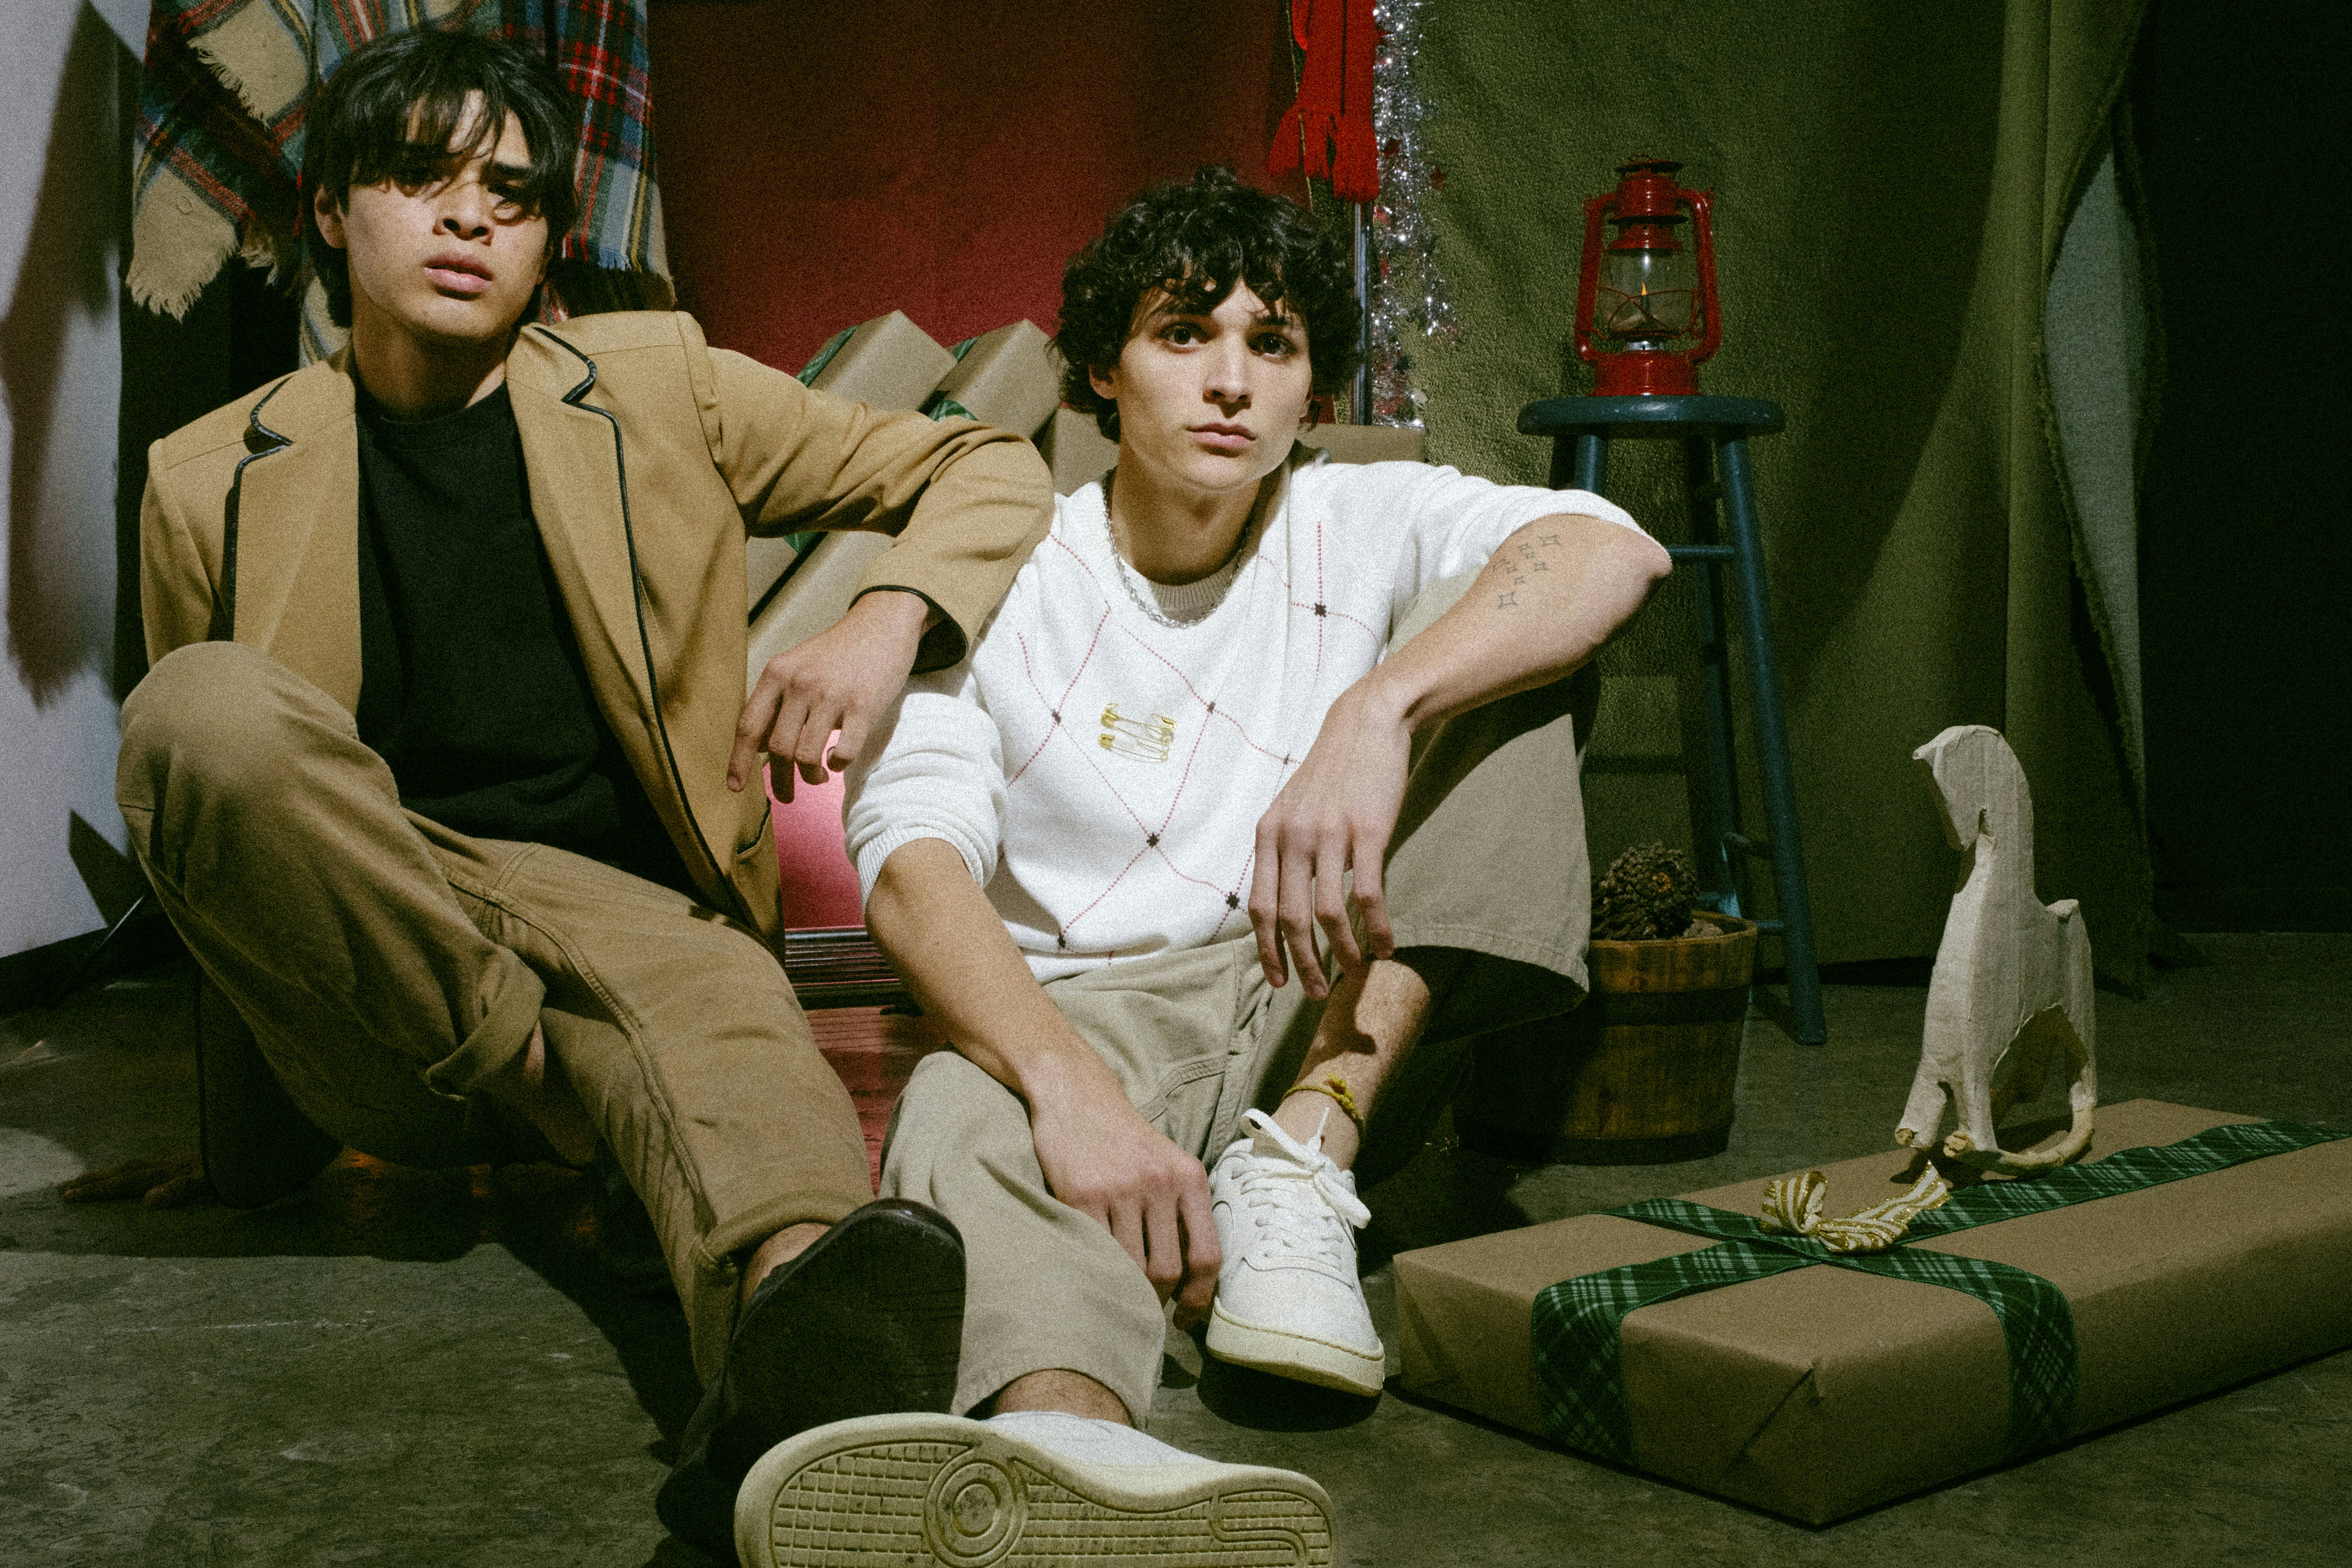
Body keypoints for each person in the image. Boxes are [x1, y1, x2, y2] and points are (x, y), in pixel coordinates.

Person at [87, 28, 1053, 1558]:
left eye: (516, 195)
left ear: (548, 249)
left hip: (641, 916)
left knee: (733, 1055)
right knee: (200, 711)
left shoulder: (662, 385)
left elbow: (990, 461)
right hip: (391, 969)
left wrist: (887, 623)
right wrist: (239, 1156)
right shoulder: (210, 476)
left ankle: (803, 1368)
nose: (472, 217)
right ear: (332, 210)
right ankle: (556, 1095)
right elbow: (233, 845)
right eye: (422, 176)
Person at [727, 167, 1672, 1561]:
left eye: (1272, 345)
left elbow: (1609, 549)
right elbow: (913, 866)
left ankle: (1299, 1175)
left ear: (1309, 390)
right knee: (954, 1115)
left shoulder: (1361, 515)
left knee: (1519, 686)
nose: (1231, 381)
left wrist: (1380, 710)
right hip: (1081, 1013)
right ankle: (1075, 1455)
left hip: (1328, 1006)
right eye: (1186, 334)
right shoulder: (1006, 564)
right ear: (1103, 371)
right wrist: (1071, 1093)